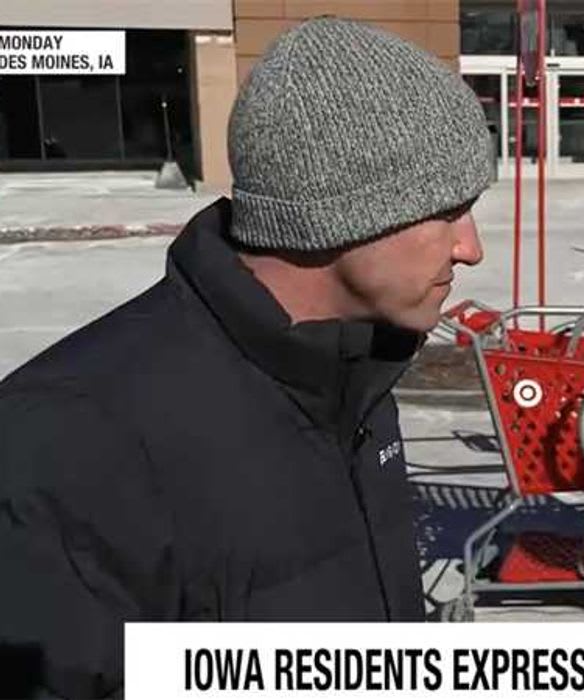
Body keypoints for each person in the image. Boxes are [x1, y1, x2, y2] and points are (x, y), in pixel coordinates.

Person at [0, 17, 490, 697]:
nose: (470, 247)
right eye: (448, 210)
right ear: (341, 211)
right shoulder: (65, 439)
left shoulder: (355, 374)